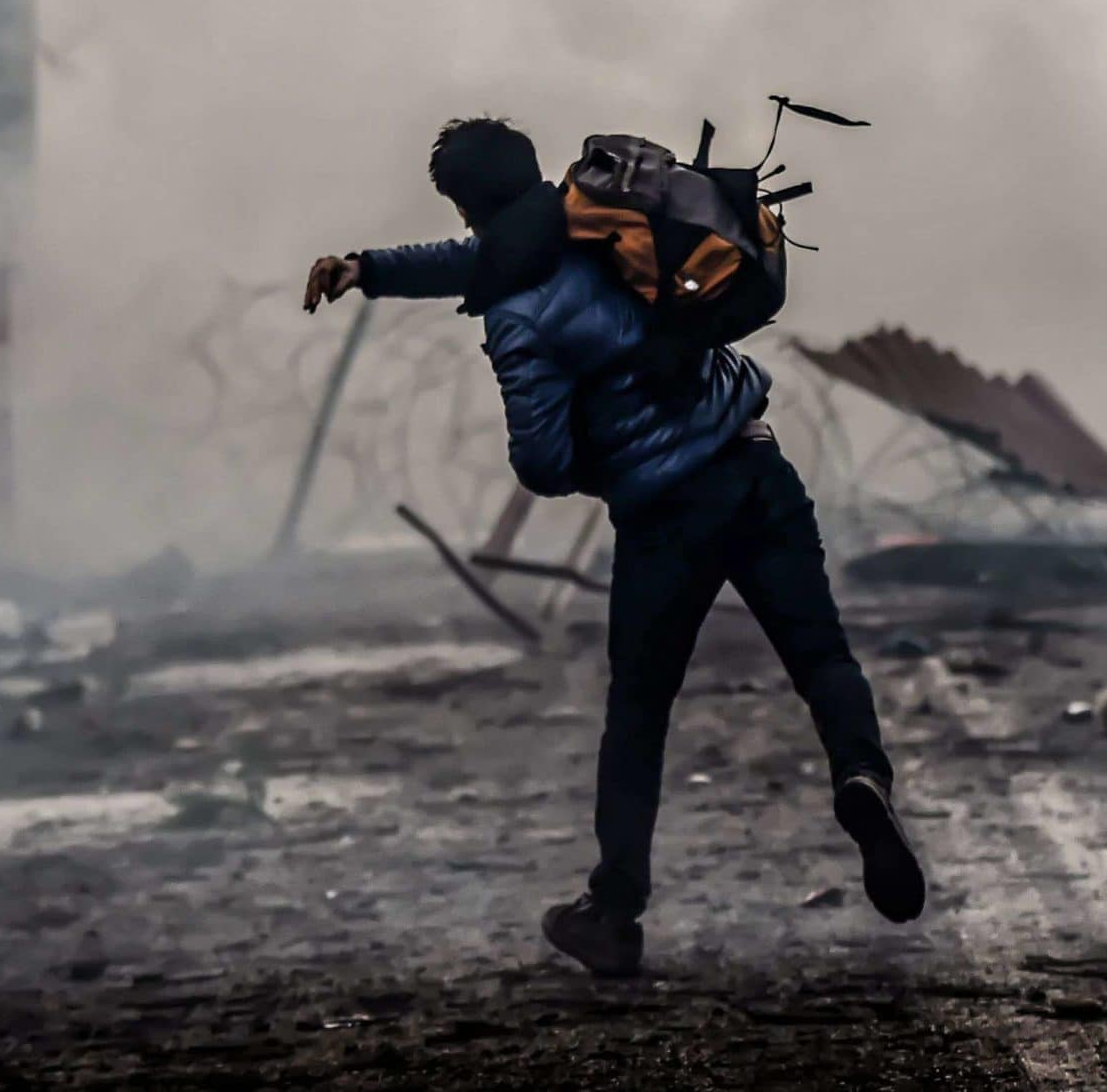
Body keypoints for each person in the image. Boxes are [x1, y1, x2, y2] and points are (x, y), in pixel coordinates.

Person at [304, 117, 922, 977]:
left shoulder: (518, 313)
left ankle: (615, 908)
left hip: (666, 517)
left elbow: (544, 461)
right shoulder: (601, 220)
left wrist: (604, 446)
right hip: (753, 464)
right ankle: (862, 778)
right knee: (820, 653)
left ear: (465, 205)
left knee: (639, 711)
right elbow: (470, 259)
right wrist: (368, 269)